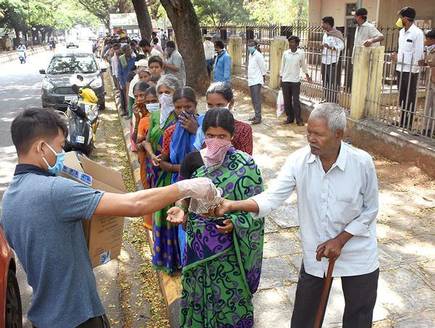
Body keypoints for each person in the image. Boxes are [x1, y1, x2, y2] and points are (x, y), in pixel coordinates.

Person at [0, 108, 217, 328]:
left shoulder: (9, 200)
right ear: (40, 148)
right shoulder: (54, 190)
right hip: (77, 317)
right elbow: (134, 204)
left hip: (43, 317)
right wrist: (185, 187)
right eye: (59, 146)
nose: (62, 153)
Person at [214, 103, 380, 328]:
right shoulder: (298, 161)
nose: (311, 138)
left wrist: (341, 239)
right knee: (304, 318)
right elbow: (271, 197)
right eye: (308, 132)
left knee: (359, 318)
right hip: (318, 250)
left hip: (358, 250)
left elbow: (370, 209)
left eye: (318, 134)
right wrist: (233, 205)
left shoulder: (361, 163)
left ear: (339, 134)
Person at [167, 108, 264, 328]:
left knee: (230, 300)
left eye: (222, 137)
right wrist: (181, 209)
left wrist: (236, 223)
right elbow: (183, 196)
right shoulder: (193, 161)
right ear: (203, 134)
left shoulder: (246, 166)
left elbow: (258, 209)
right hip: (198, 246)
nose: (215, 141)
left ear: (232, 137)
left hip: (230, 251)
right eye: (210, 135)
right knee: (198, 296)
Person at [153, 86, 201, 272]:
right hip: (179, 185)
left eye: (188, 106)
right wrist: (162, 161)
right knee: (182, 226)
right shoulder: (170, 132)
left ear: (196, 105)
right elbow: (165, 157)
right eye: (178, 108)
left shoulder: (205, 127)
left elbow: (207, 158)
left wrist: (196, 131)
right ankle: (184, 264)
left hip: (200, 185)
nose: (183, 112)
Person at [194, 82, 253, 155]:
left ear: (231, 104)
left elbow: (246, 162)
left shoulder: (244, 130)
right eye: (210, 105)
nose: (214, 109)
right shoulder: (201, 125)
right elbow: (198, 157)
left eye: (219, 105)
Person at [144, 75, 180, 191]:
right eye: (160, 93)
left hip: (172, 167)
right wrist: (152, 155)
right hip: (154, 164)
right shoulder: (155, 115)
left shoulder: (181, 116)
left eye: (167, 92)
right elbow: (147, 141)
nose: (163, 96)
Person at [392, 7, 425, 129]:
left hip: (411, 71)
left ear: (406, 18)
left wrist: (415, 69)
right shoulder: (401, 32)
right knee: (401, 96)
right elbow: (401, 50)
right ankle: (402, 120)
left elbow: (418, 54)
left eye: (401, 17)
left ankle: (408, 123)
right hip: (400, 69)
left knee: (409, 97)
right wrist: (396, 57)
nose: (399, 19)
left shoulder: (417, 33)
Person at [280, 35, 312, 126]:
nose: (291, 44)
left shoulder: (301, 53)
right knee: (287, 101)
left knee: (296, 101)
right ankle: (289, 118)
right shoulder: (286, 53)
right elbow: (282, 66)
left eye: (293, 42)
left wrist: (307, 75)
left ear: (297, 44)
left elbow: (304, 65)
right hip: (285, 80)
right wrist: (281, 78)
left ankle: (298, 119)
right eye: (290, 42)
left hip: (295, 81)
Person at [321, 16, 344, 103]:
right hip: (324, 60)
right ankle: (327, 98)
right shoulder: (325, 34)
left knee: (332, 82)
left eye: (323, 23)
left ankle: (333, 100)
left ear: (328, 24)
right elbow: (324, 46)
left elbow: (341, 46)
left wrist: (332, 47)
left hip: (332, 62)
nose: (322, 25)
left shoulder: (337, 34)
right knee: (325, 81)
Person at [420, 29, 435, 137]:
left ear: (432, 40)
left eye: (427, 39)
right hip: (431, 80)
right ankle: (427, 128)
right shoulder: (430, 50)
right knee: (428, 105)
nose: (425, 40)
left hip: (433, 79)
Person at [247, 40, 267, 125]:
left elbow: (263, 67)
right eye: (248, 45)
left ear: (255, 46)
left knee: (257, 99)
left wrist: (263, 76)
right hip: (251, 80)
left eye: (251, 45)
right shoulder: (251, 55)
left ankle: (258, 117)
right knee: (253, 99)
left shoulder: (258, 55)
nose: (249, 47)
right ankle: (256, 115)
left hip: (256, 80)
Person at [118, 44, 136, 116]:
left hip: (132, 80)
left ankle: (131, 112)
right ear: (124, 51)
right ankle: (125, 111)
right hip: (125, 80)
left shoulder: (134, 58)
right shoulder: (121, 59)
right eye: (127, 50)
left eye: (130, 50)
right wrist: (122, 83)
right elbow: (120, 72)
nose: (129, 51)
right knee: (124, 97)